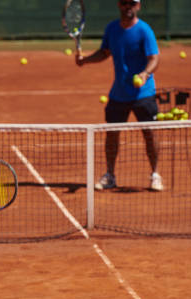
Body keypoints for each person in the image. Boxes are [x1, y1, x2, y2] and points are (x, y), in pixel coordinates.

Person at [76, 0, 163, 191]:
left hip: (144, 93)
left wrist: (145, 74)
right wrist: (85, 60)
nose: (128, 7)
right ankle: (110, 175)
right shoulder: (112, 29)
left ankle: (155, 174)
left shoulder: (144, 30)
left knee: (150, 134)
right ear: (119, 5)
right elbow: (104, 52)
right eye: (125, 3)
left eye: (132, 3)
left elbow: (154, 58)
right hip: (119, 93)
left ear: (138, 6)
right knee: (112, 135)